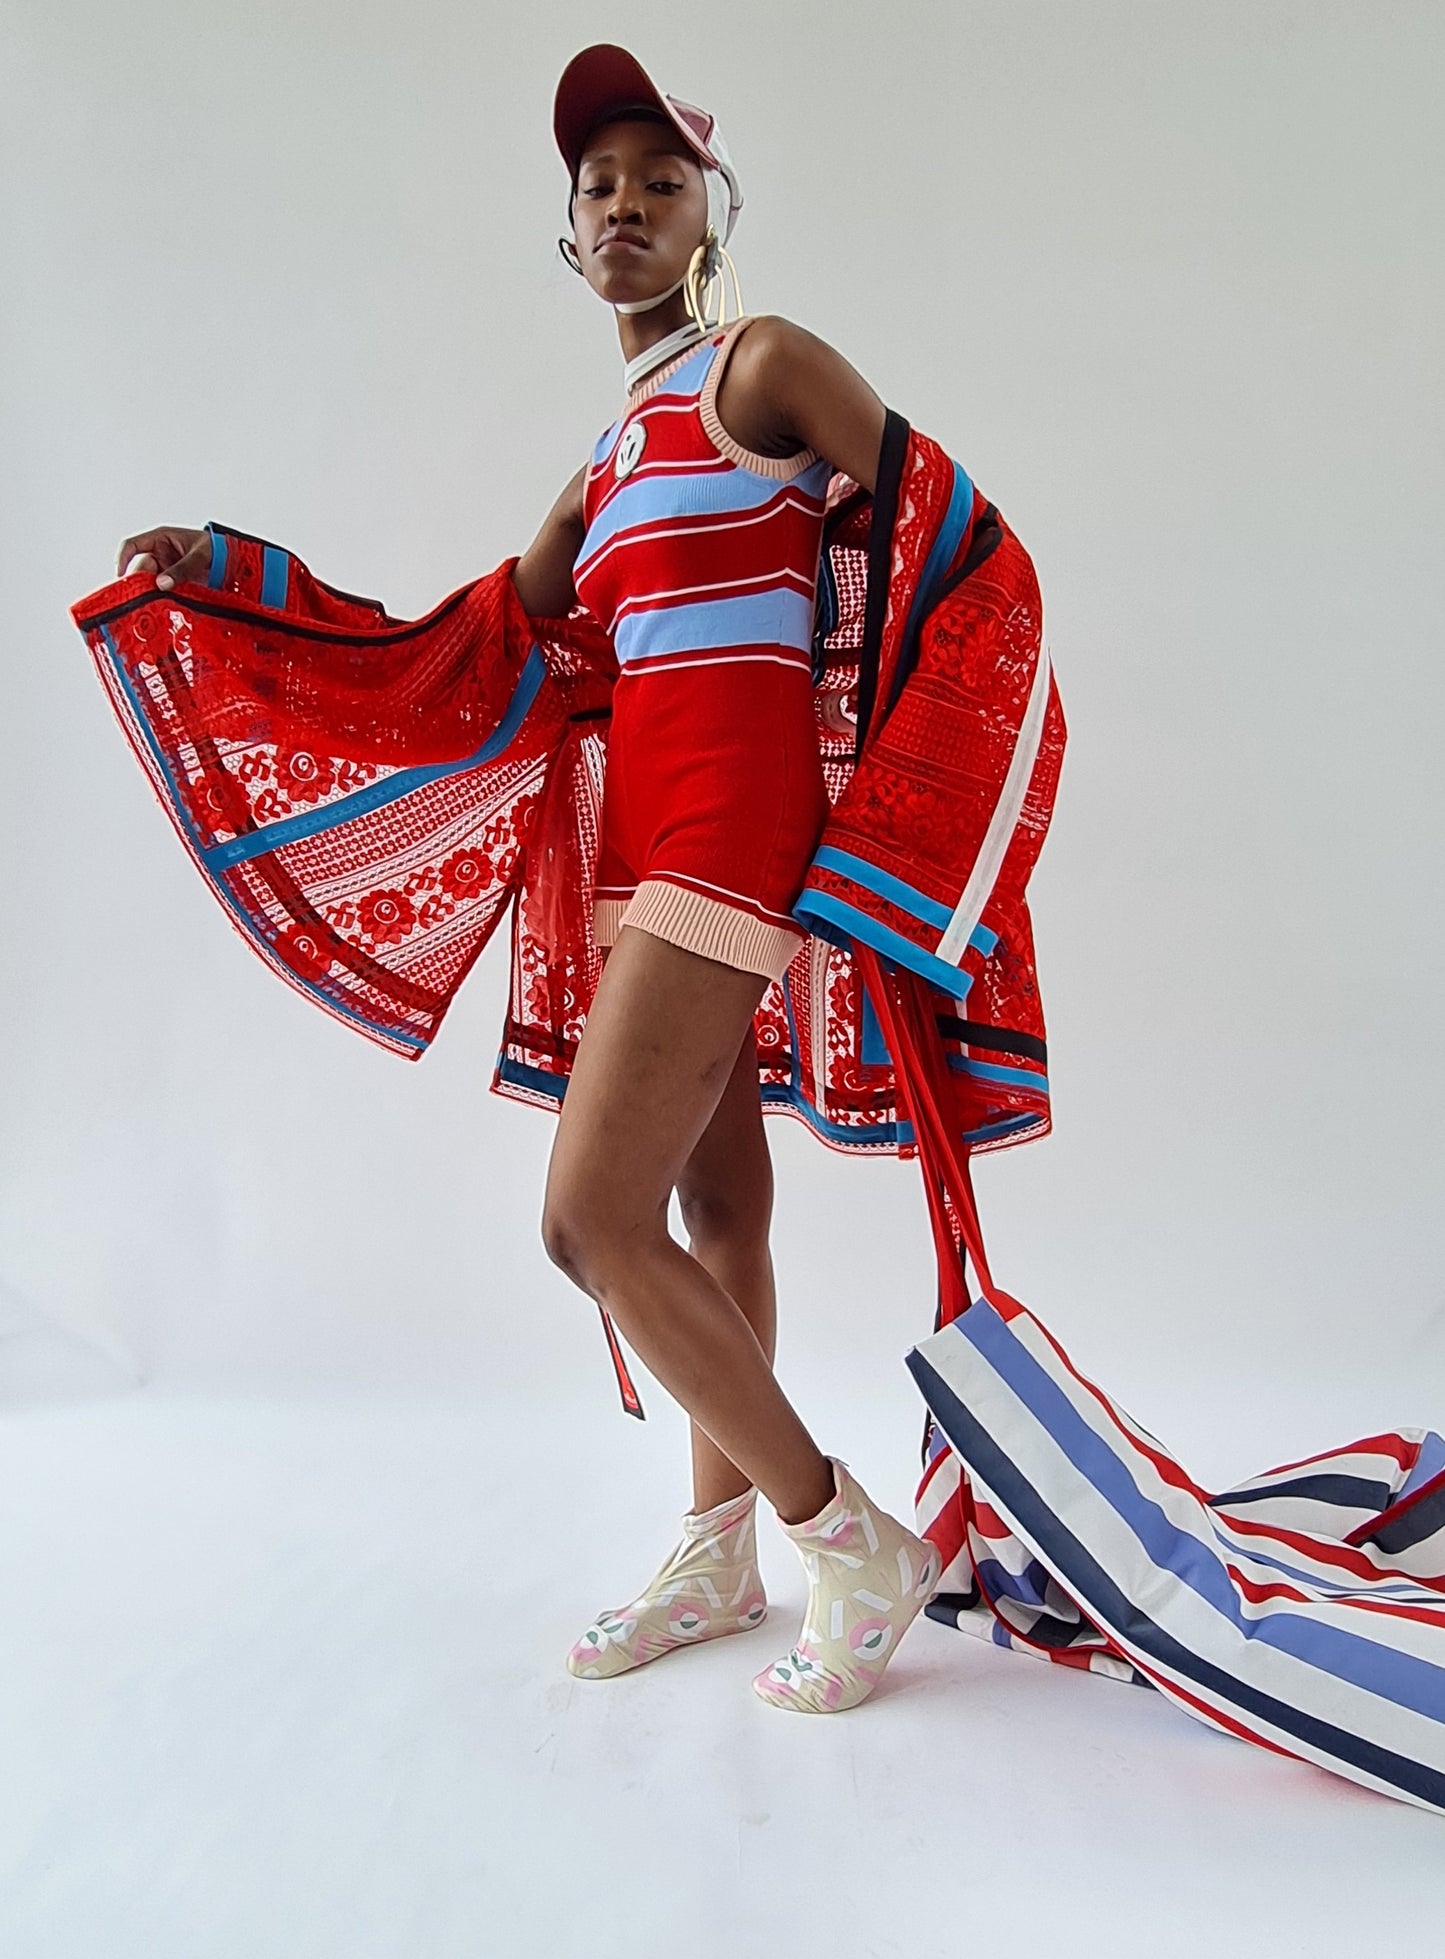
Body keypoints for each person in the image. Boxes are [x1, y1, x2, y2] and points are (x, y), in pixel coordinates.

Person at [113, 44, 943, 1715]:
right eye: (595, 186)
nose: (625, 202)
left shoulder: (762, 366)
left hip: (735, 831)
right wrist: (236, 575)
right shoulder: (605, 465)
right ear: (568, 241)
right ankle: (718, 1552)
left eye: (659, 177)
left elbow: (947, 540)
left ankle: (842, 1532)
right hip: (641, 848)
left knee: (585, 1221)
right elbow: (459, 650)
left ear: (710, 212)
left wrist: (899, 800)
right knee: (712, 1209)